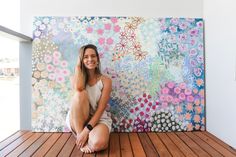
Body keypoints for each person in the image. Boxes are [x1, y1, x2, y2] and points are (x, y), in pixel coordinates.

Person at [66, 44, 112, 153]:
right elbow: (78, 97)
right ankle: (79, 136)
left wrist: (87, 131)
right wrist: (78, 67)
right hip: (77, 118)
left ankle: (85, 135)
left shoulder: (106, 81)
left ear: (97, 59)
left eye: (93, 56)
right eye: (85, 57)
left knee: (97, 144)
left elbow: (101, 109)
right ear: (81, 60)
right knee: (80, 94)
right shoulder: (74, 79)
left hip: (98, 118)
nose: (90, 59)